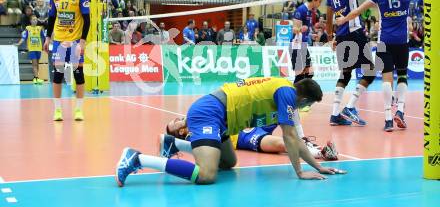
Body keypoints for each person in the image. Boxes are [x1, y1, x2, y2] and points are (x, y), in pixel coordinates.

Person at [115, 78, 346, 187]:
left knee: (228, 162)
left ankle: (173, 144)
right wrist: (300, 172)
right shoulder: (287, 93)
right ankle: (136, 158)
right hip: (210, 113)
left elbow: (295, 138)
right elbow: (290, 137)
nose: (305, 109)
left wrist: (317, 166)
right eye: (307, 105)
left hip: (222, 120)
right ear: (303, 98)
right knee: (207, 175)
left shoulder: (284, 90)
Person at [336, 0, 421, 132]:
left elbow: (358, 11)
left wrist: (343, 20)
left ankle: (388, 120)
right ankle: (401, 111)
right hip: (402, 41)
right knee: (403, 75)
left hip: (384, 41)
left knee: (386, 79)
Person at [326, 0, 395, 126]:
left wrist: (332, 36)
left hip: (340, 36)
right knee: (371, 71)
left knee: (345, 74)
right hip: (354, 32)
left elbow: (328, 16)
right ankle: (349, 106)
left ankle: (334, 114)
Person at [43, 0, 90, 122]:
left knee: (79, 75)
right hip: (59, 42)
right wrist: (48, 38)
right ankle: (57, 111)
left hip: (76, 41)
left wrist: (82, 42)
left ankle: (79, 110)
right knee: (58, 74)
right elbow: (51, 18)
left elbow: (87, 20)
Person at [291, 0, 325, 83]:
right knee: (300, 75)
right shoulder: (301, 10)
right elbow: (294, 29)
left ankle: (303, 94)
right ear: (314, 0)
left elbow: (305, 30)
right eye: (319, 2)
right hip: (296, 45)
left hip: (303, 45)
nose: (320, 4)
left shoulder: (310, 11)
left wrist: (310, 35)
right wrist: (301, 29)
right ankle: (295, 95)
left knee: (309, 73)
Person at [15, 14, 45, 84]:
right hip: (32, 49)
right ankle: (35, 78)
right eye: (33, 20)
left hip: (39, 49)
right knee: (34, 64)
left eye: (36, 20)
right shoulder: (28, 28)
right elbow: (24, 37)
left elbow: (44, 37)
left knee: (37, 64)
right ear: (30, 21)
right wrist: (18, 43)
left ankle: (37, 78)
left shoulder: (40, 28)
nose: (35, 21)